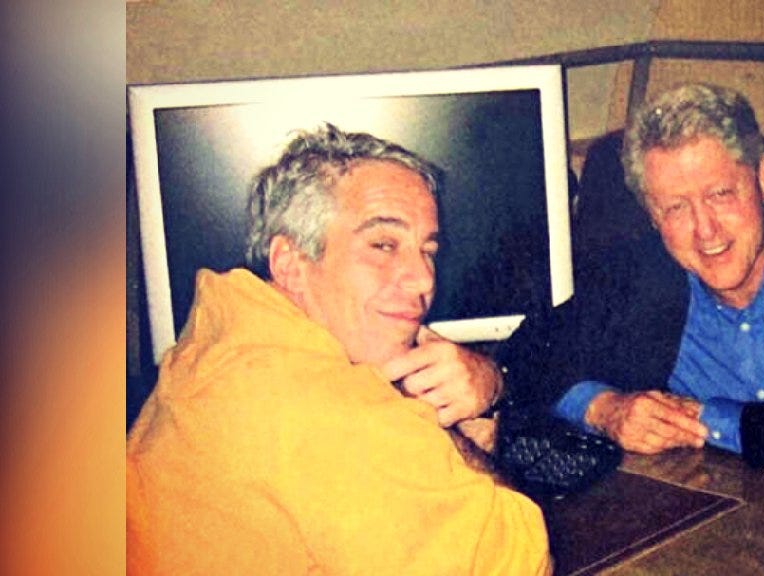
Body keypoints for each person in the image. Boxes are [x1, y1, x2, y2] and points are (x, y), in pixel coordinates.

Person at [127, 124, 551, 574]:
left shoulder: (222, 338)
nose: (424, 280)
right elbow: (523, 563)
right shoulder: (326, 408)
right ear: (289, 264)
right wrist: (448, 423)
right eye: (383, 245)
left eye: (427, 250)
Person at [497, 83, 764, 476]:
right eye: (676, 208)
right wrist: (603, 409)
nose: (705, 230)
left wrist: (709, 420)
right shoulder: (636, 273)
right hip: (704, 498)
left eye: (720, 194)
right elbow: (526, 356)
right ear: (651, 215)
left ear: (762, 178)